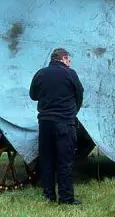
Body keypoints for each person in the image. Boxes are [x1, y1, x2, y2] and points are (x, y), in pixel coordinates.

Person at [29, 48, 84, 205]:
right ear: (64, 58)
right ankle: (66, 198)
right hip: (65, 123)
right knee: (64, 161)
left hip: (45, 123)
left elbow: (33, 95)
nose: (69, 63)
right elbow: (79, 94)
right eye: (69, 60)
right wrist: (73, 112)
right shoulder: (70, 74)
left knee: (47, 160)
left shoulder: (40, 73)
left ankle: (48, 195)